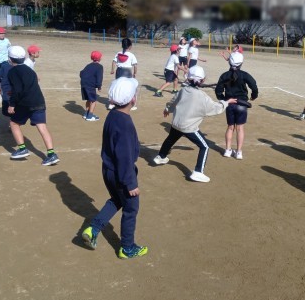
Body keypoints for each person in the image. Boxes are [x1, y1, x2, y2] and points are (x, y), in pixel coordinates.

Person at [81, 77, 148, 259]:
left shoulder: (113, 115)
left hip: (108, 170)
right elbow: (125, 158)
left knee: (117, 200)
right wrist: (130, 183)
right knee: (131, 208)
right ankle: (127, 247)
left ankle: (93, 229)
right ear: (133, 99)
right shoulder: (125, 124)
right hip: (121, 174)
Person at [153, 66, 236, 182]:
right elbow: (215, 108)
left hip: (177, 123)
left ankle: (161, 156)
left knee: (170, 139)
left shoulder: (183, 90)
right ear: (202, 80)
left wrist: (167, 109)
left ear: (188, 78)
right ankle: (198, 172)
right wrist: (226, 102)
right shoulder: (202, 96)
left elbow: (173, 101)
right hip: (189, 127)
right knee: (204, 146)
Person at [6, 46, 59, 166]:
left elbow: (17, 90)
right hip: (39, 101)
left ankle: (22, 149)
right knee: (42, 127)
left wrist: (12, 104)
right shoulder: (30, 69)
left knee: (14, 123)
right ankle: (51, 154)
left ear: (10, 59)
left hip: (25, 103)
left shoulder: (12, 71)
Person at [215, 52, 259, 159]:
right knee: (240, 128)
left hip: (230, 104)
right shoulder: (244, 75)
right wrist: (253, 96)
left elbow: (218, 90)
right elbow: (254, 86)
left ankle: (227, 150)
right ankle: (239, 152)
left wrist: (224, 100)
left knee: (230, 127)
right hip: (241, 104)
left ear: (229, 62)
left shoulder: (224, 75)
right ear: (241, 63)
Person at [80, 51, 104, 121]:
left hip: (83, 84)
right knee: (93, 100)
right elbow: (99, 77)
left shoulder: (88, 65)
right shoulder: (99, 67)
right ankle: (90, 116)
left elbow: (81, 73)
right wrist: (99, 86)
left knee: (88, 99)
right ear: (99, 58)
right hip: (90, 85)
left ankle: (86, 114)